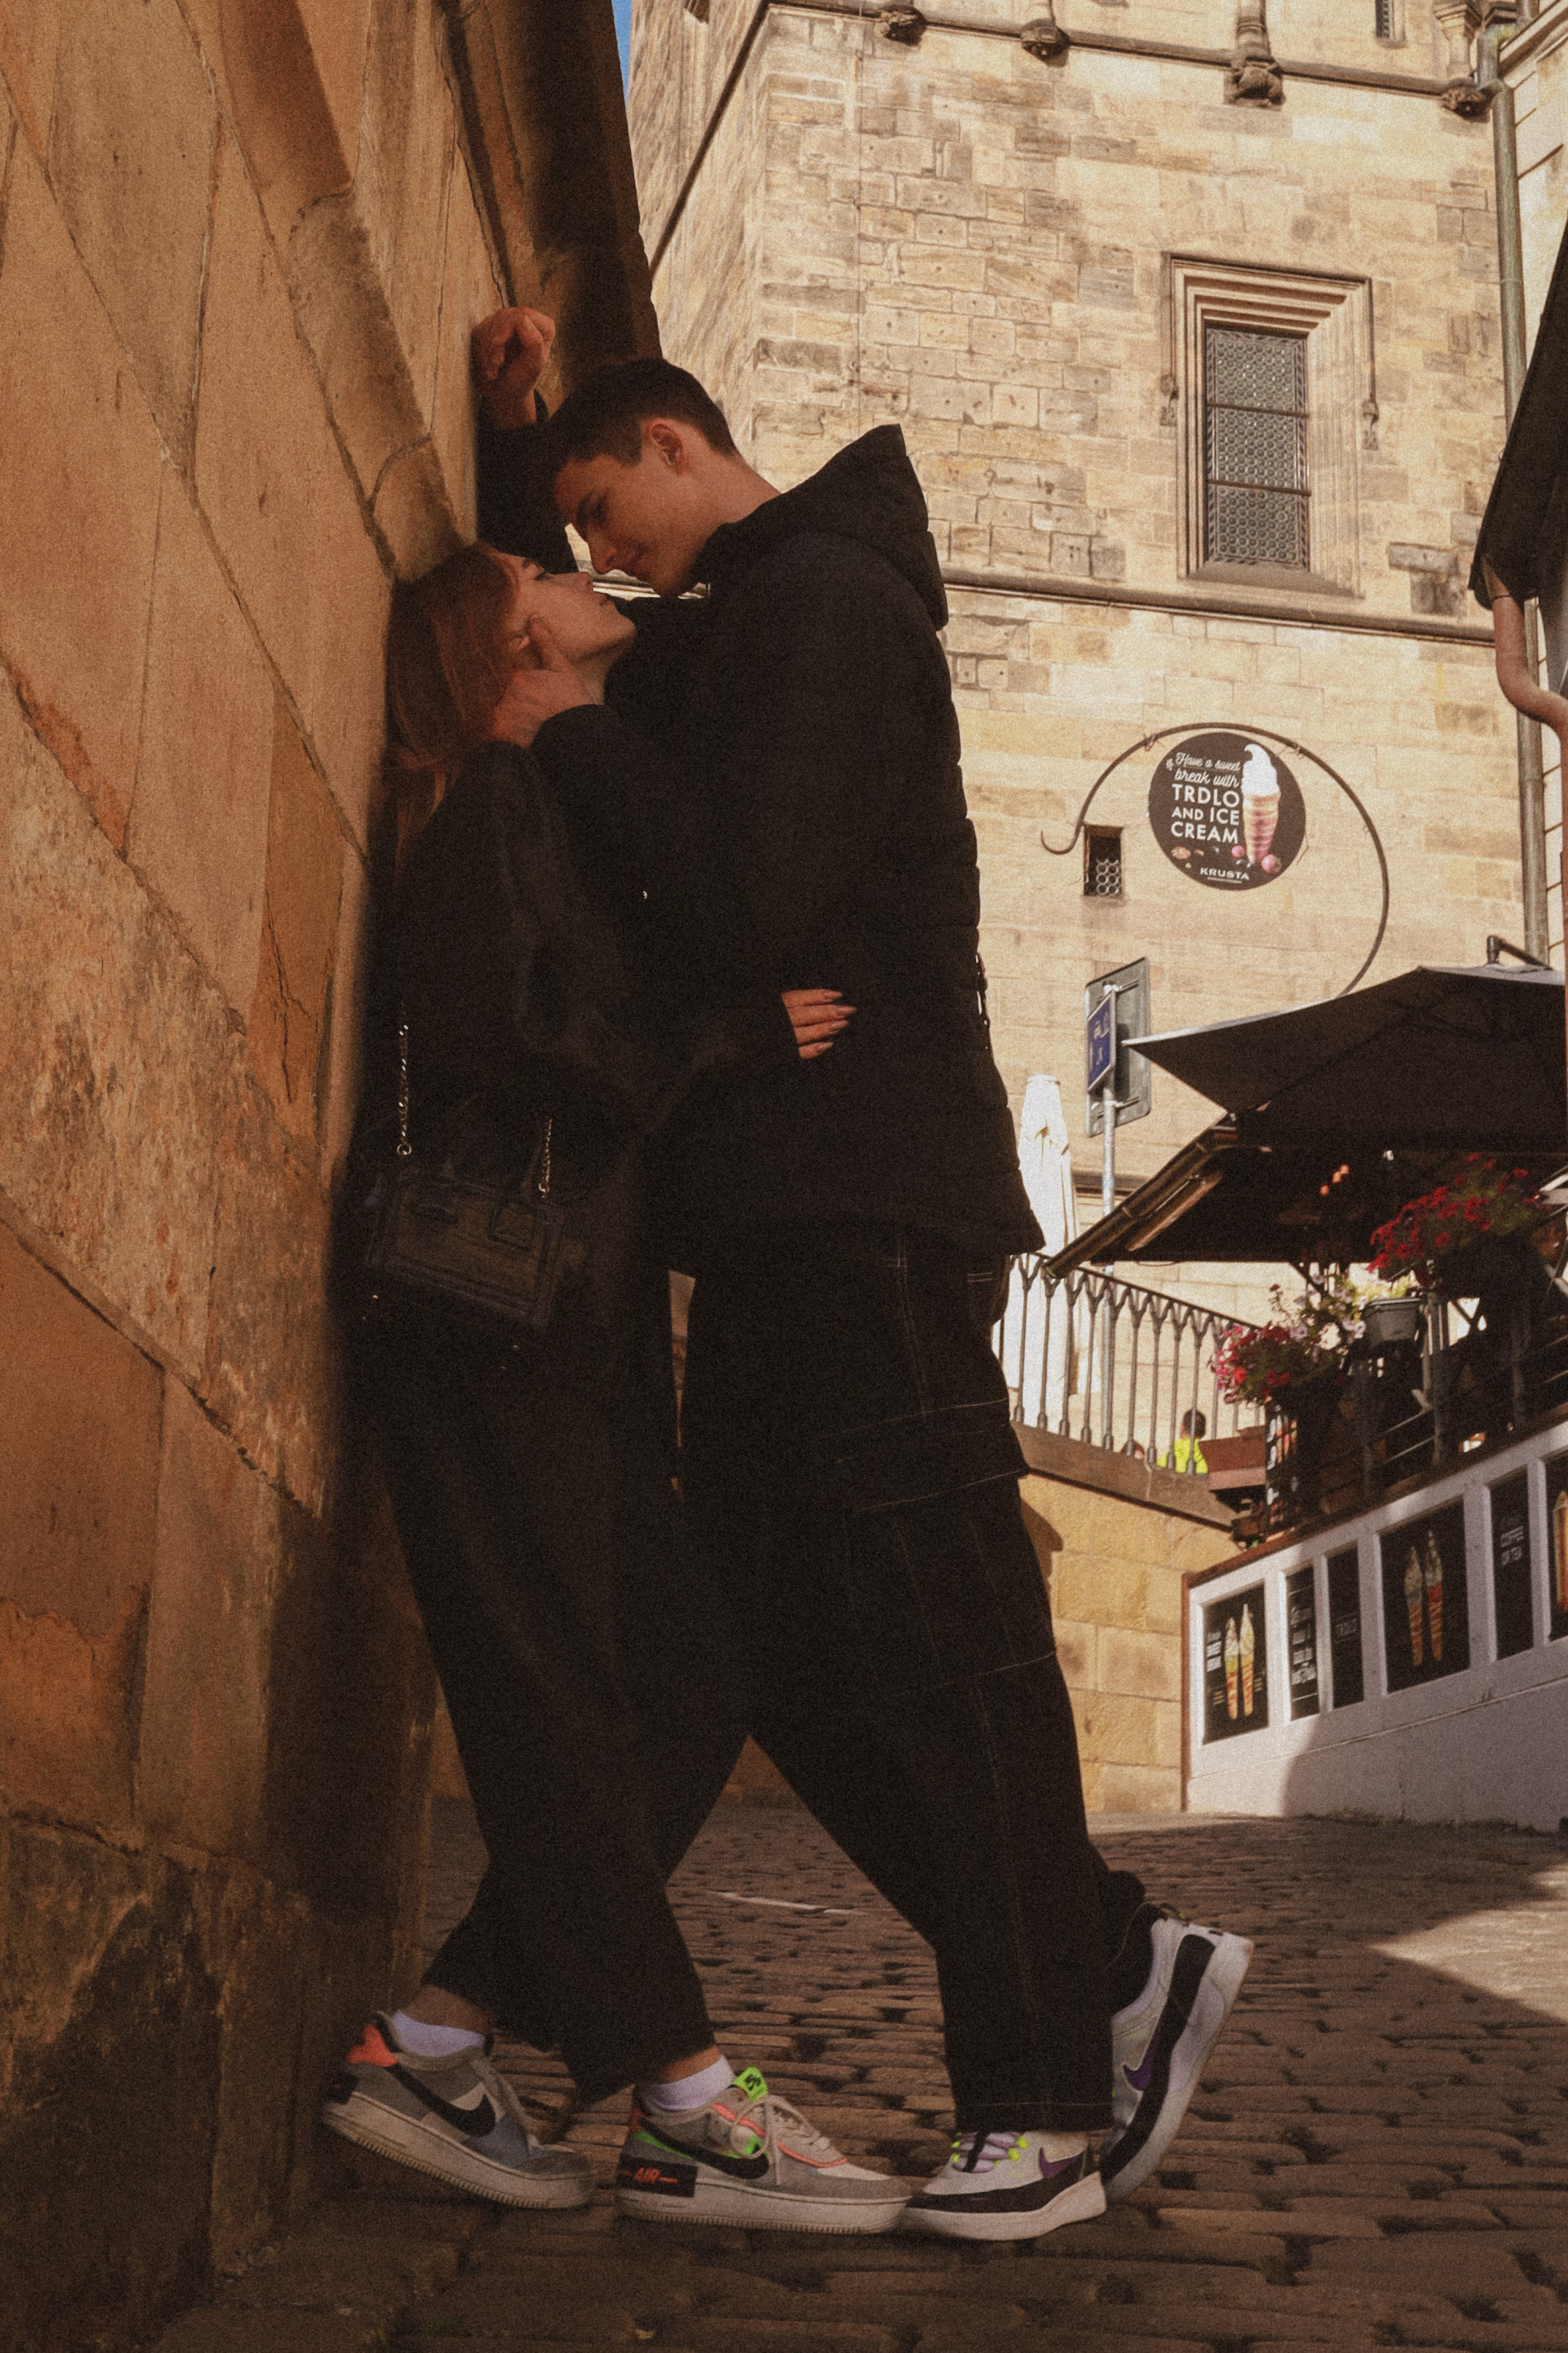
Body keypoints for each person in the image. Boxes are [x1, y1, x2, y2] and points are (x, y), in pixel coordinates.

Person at [473, 312, 1253, 2236]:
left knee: (951, 1632)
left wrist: (567, 731)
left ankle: (1043, 2105)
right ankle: (1106, 1957)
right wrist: (521, 456)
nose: (603, 560)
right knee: (780, 1670)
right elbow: (599, 641)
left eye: (608, 511)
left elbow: (749, 890)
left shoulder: (825, 599)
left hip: (868, 1200)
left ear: (681, 446)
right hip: (773, 1211)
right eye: (581, 536)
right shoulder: (744, 608)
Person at [321, 535, 910, 2235]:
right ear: (508, 650)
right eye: (543, 565)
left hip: (552, 1325)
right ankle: (688, 2099)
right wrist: (726, 1037)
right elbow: (515, 1034)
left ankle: (438, 2037)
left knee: (685, 1672)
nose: (584, 571)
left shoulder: (540, 789)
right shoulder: (495, 800)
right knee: (568, 1699)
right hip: (481, 1313)